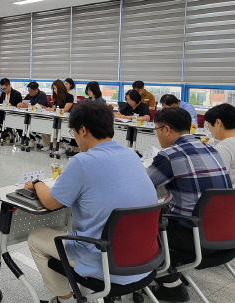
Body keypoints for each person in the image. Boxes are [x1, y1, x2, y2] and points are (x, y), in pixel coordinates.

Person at [27, 101, 158, 303]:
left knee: (36, 238)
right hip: (144, 259)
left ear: (83, 130)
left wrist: (37, 184)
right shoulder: (131, 155)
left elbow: (51, 202)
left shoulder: (82, 161)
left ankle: (66, 299)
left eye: (74, 133)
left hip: (106, 262)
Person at [147, 107, 232, 302]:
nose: (157, 135)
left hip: (194, 236)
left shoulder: (170, 155)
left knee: (144, 225)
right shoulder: (211, 148)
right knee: (167, 208)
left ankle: (171, 286)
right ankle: (173, 273)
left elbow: (142, 185)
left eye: (157, 130)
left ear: (166, 129)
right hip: (226, 234)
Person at [204, 103, 235, 184]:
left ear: (218, 123)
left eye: (208, 126)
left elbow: (218, 180)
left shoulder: (223, 147)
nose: (209, 130)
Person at [42, 80, 76, 153]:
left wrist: (52, 109)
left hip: (65, 119)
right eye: (53, 89)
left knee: (56, 126)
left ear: (60, 88)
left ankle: (61, 146)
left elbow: (66, 109)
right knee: (45, 123)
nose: (54, 91)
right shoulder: (56, 97)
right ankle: (47, 144)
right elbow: (55, 107)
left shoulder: (69, 96)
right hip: (56, 117)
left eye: (55, 88)